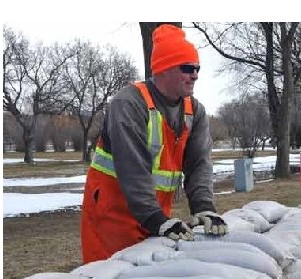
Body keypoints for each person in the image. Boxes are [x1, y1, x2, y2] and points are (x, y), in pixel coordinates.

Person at [80, 24, 227, 263]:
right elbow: (132, 168)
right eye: (188, 68)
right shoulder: (129, 104)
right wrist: (155, 218)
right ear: (165, 68)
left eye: (197, 68)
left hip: (154, 213)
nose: (195, 75)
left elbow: (199, 164)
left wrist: (204, 207)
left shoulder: (194, 111)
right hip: (112, 215)